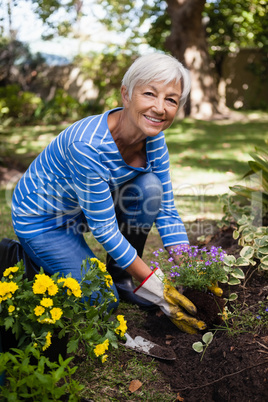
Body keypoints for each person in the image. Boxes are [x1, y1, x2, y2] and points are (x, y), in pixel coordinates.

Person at [11, 53, 206, 333]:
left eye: (171, 99)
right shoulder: (87, 146)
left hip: (81, 209)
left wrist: (193, 272)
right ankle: (28, 261)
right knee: (101, 300)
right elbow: (105, 229)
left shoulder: (153, 136)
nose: (160, 108)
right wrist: (156, 285)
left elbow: (166, 209)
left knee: (150, 187)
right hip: (43, 221)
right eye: (149, 94)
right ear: (126, 95)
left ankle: (123, 280)